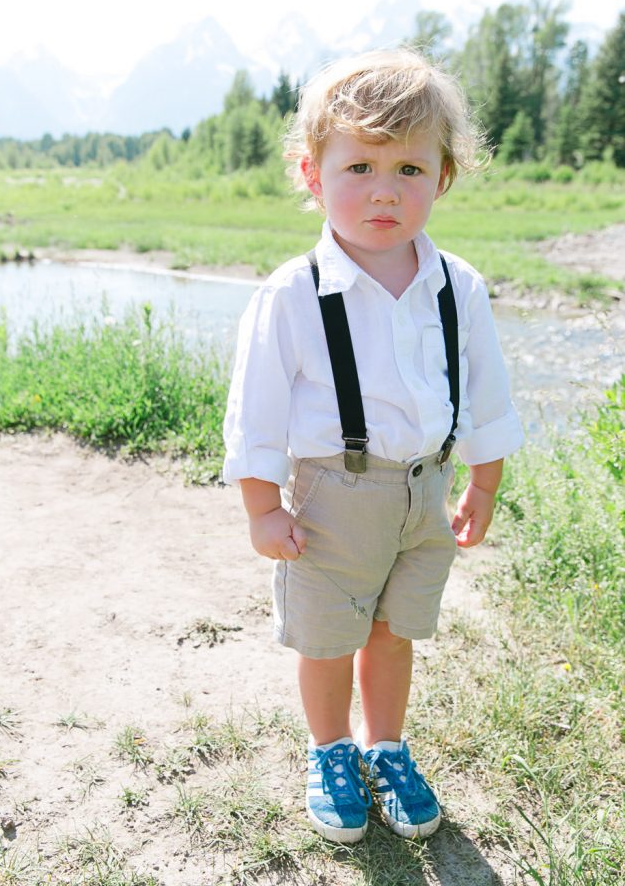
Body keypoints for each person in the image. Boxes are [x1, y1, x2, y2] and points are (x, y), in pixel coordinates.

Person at [222, 48, 524, 843]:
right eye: (358, 165)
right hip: (333, 495)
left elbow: (483, 389)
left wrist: (482, 484)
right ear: (312, 174)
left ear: (443, 177)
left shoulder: (455, 284)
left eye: (409, 169)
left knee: (395, 628)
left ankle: (385, 746)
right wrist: (262, 507)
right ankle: (328, 750)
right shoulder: (292, 292)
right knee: (328, 635)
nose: (384, 189)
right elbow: (254, 410)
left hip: (424, 493)